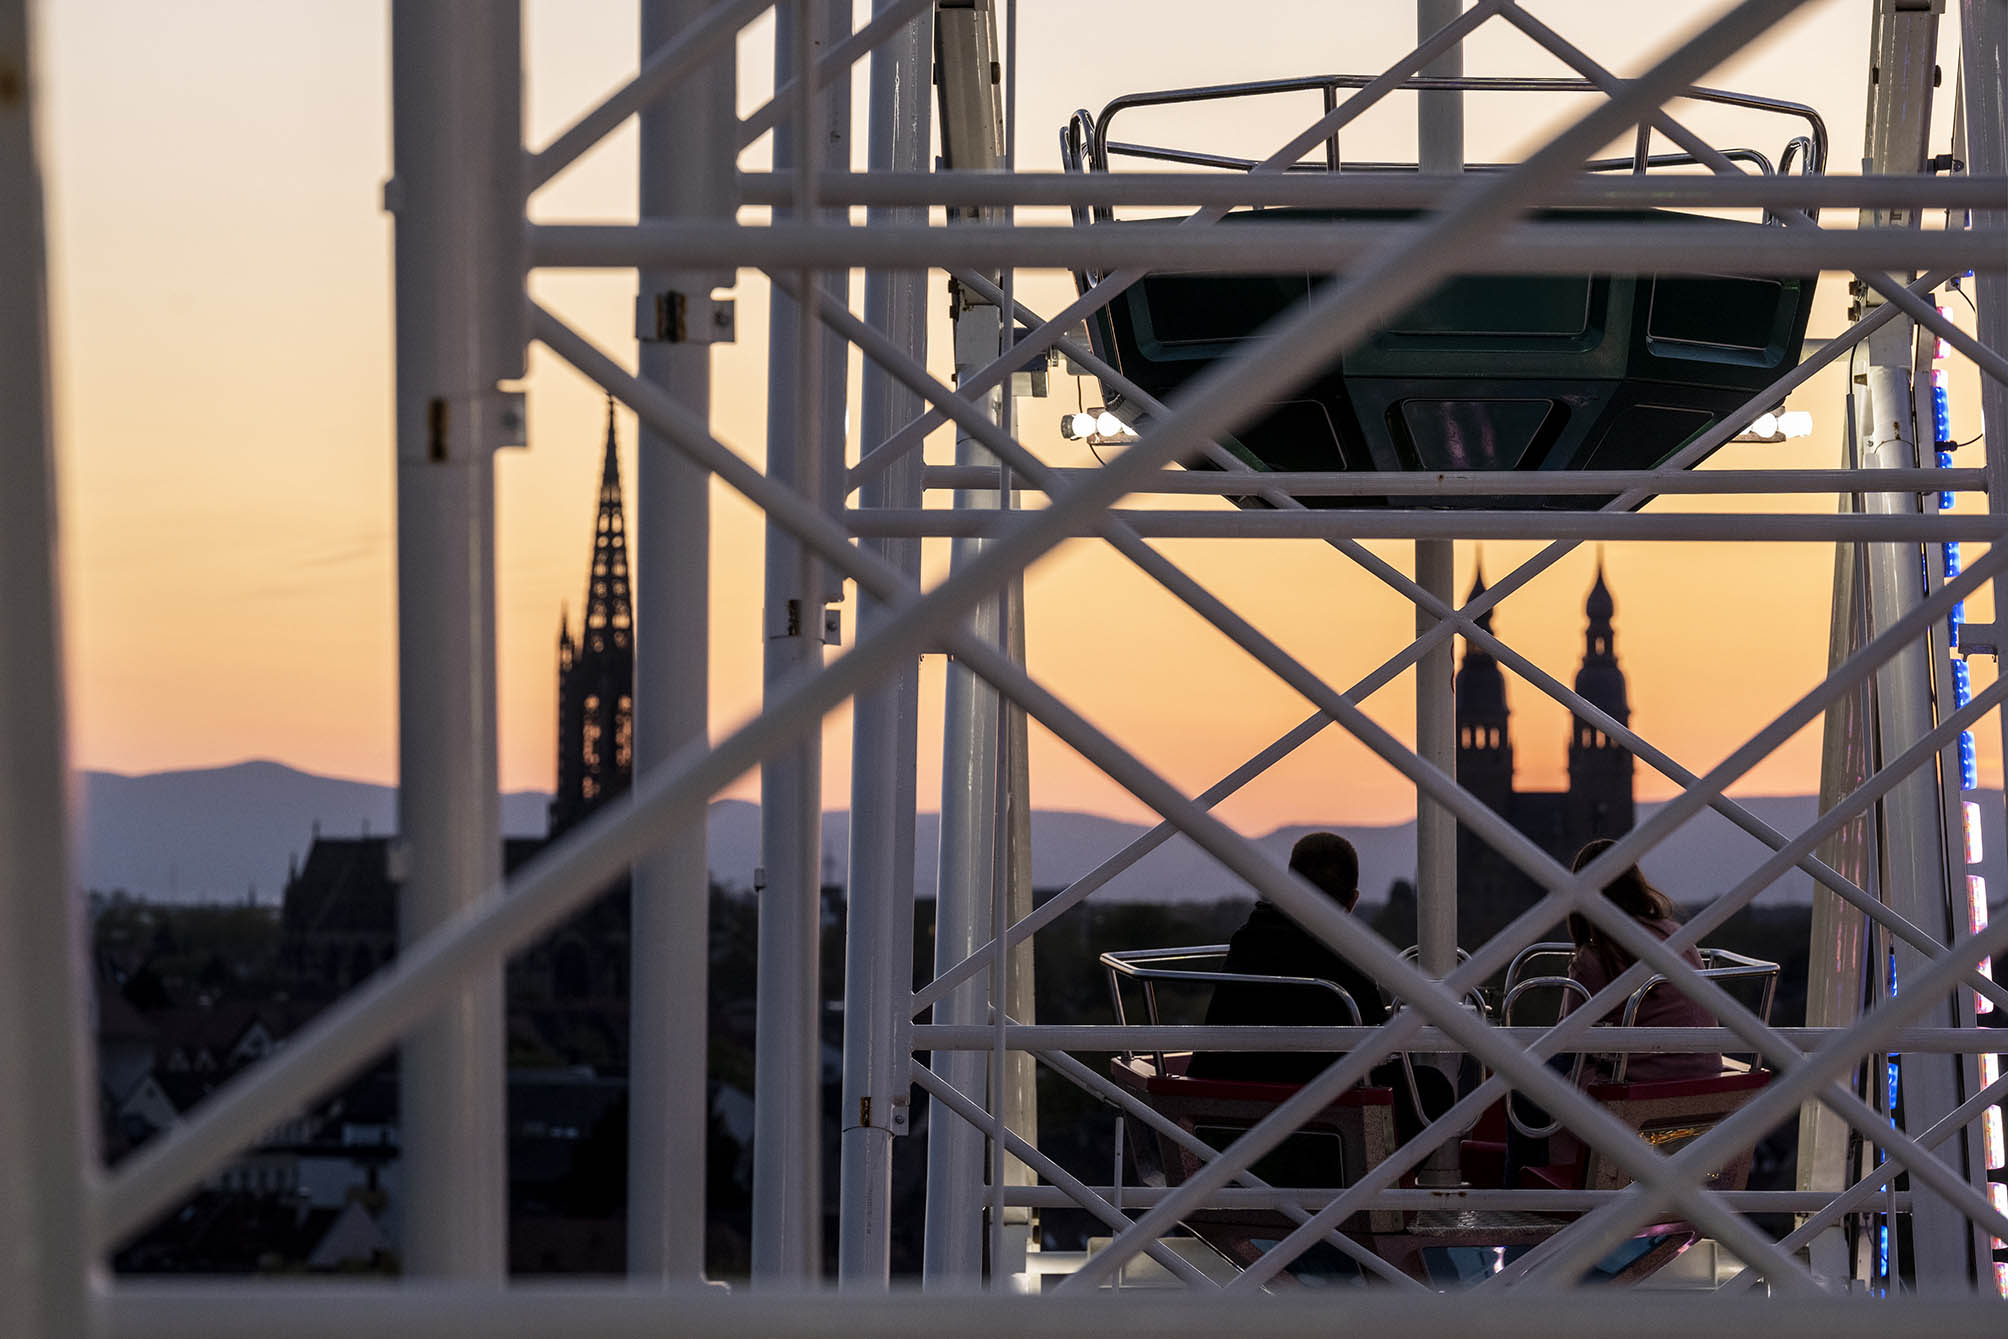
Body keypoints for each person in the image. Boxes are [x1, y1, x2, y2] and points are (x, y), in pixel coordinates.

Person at [1507, 839, 1723, 1180]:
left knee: (1524, 1082)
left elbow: (1565, 1038)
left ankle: (1525, 1190)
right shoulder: (1674, 934)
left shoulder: (1600, 956)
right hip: (1699, 1077)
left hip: (1643, 1086)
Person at [1188, 832, 1387, 1083]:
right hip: (1313, 1107)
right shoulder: (1346, 960)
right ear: (1352, 900)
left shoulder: (1249, 939)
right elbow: (1381, 1038)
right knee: (1432, 1084)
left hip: (1224, 1099)